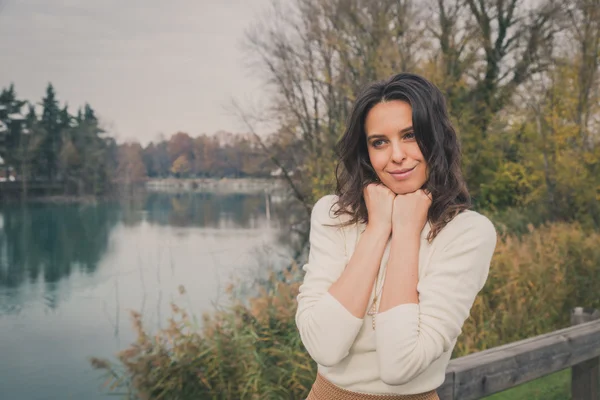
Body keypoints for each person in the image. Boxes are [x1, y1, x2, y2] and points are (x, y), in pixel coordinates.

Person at [295, 73, 497, 399]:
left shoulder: (467, 233)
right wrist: (377, 230)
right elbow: (324, 346)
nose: (397, 155)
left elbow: (399, 365)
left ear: (437, 139)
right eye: (380, 142)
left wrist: (405, 231)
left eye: (411, 135)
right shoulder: (334, 215)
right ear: (366, 152)